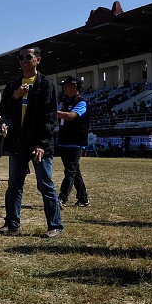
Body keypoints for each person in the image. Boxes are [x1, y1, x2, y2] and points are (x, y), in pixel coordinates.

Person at [0, 46, 63, 237]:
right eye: (21, 57)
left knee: (45, 184)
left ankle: (55, 226)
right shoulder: (13, 85)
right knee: (14, 184)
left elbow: (50, 117)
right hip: (17, 143)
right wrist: (15, 96)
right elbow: (3, 111)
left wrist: (41, 143)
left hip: (38, 144)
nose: (24, 60)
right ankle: (11, 223)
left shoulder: (46, 85)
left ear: (38, 60)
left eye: (28, 57)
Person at [57, 75, 90, 208]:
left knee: (70, 171)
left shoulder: (82, 102)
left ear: (75, 86)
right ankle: (83, 198)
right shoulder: (66, 102)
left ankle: (61, 198)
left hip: (75, 142)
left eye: (66, 85)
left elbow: (71, 117)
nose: (64, 88)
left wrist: (54, 112)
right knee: (74, 171)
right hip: (65, 141)